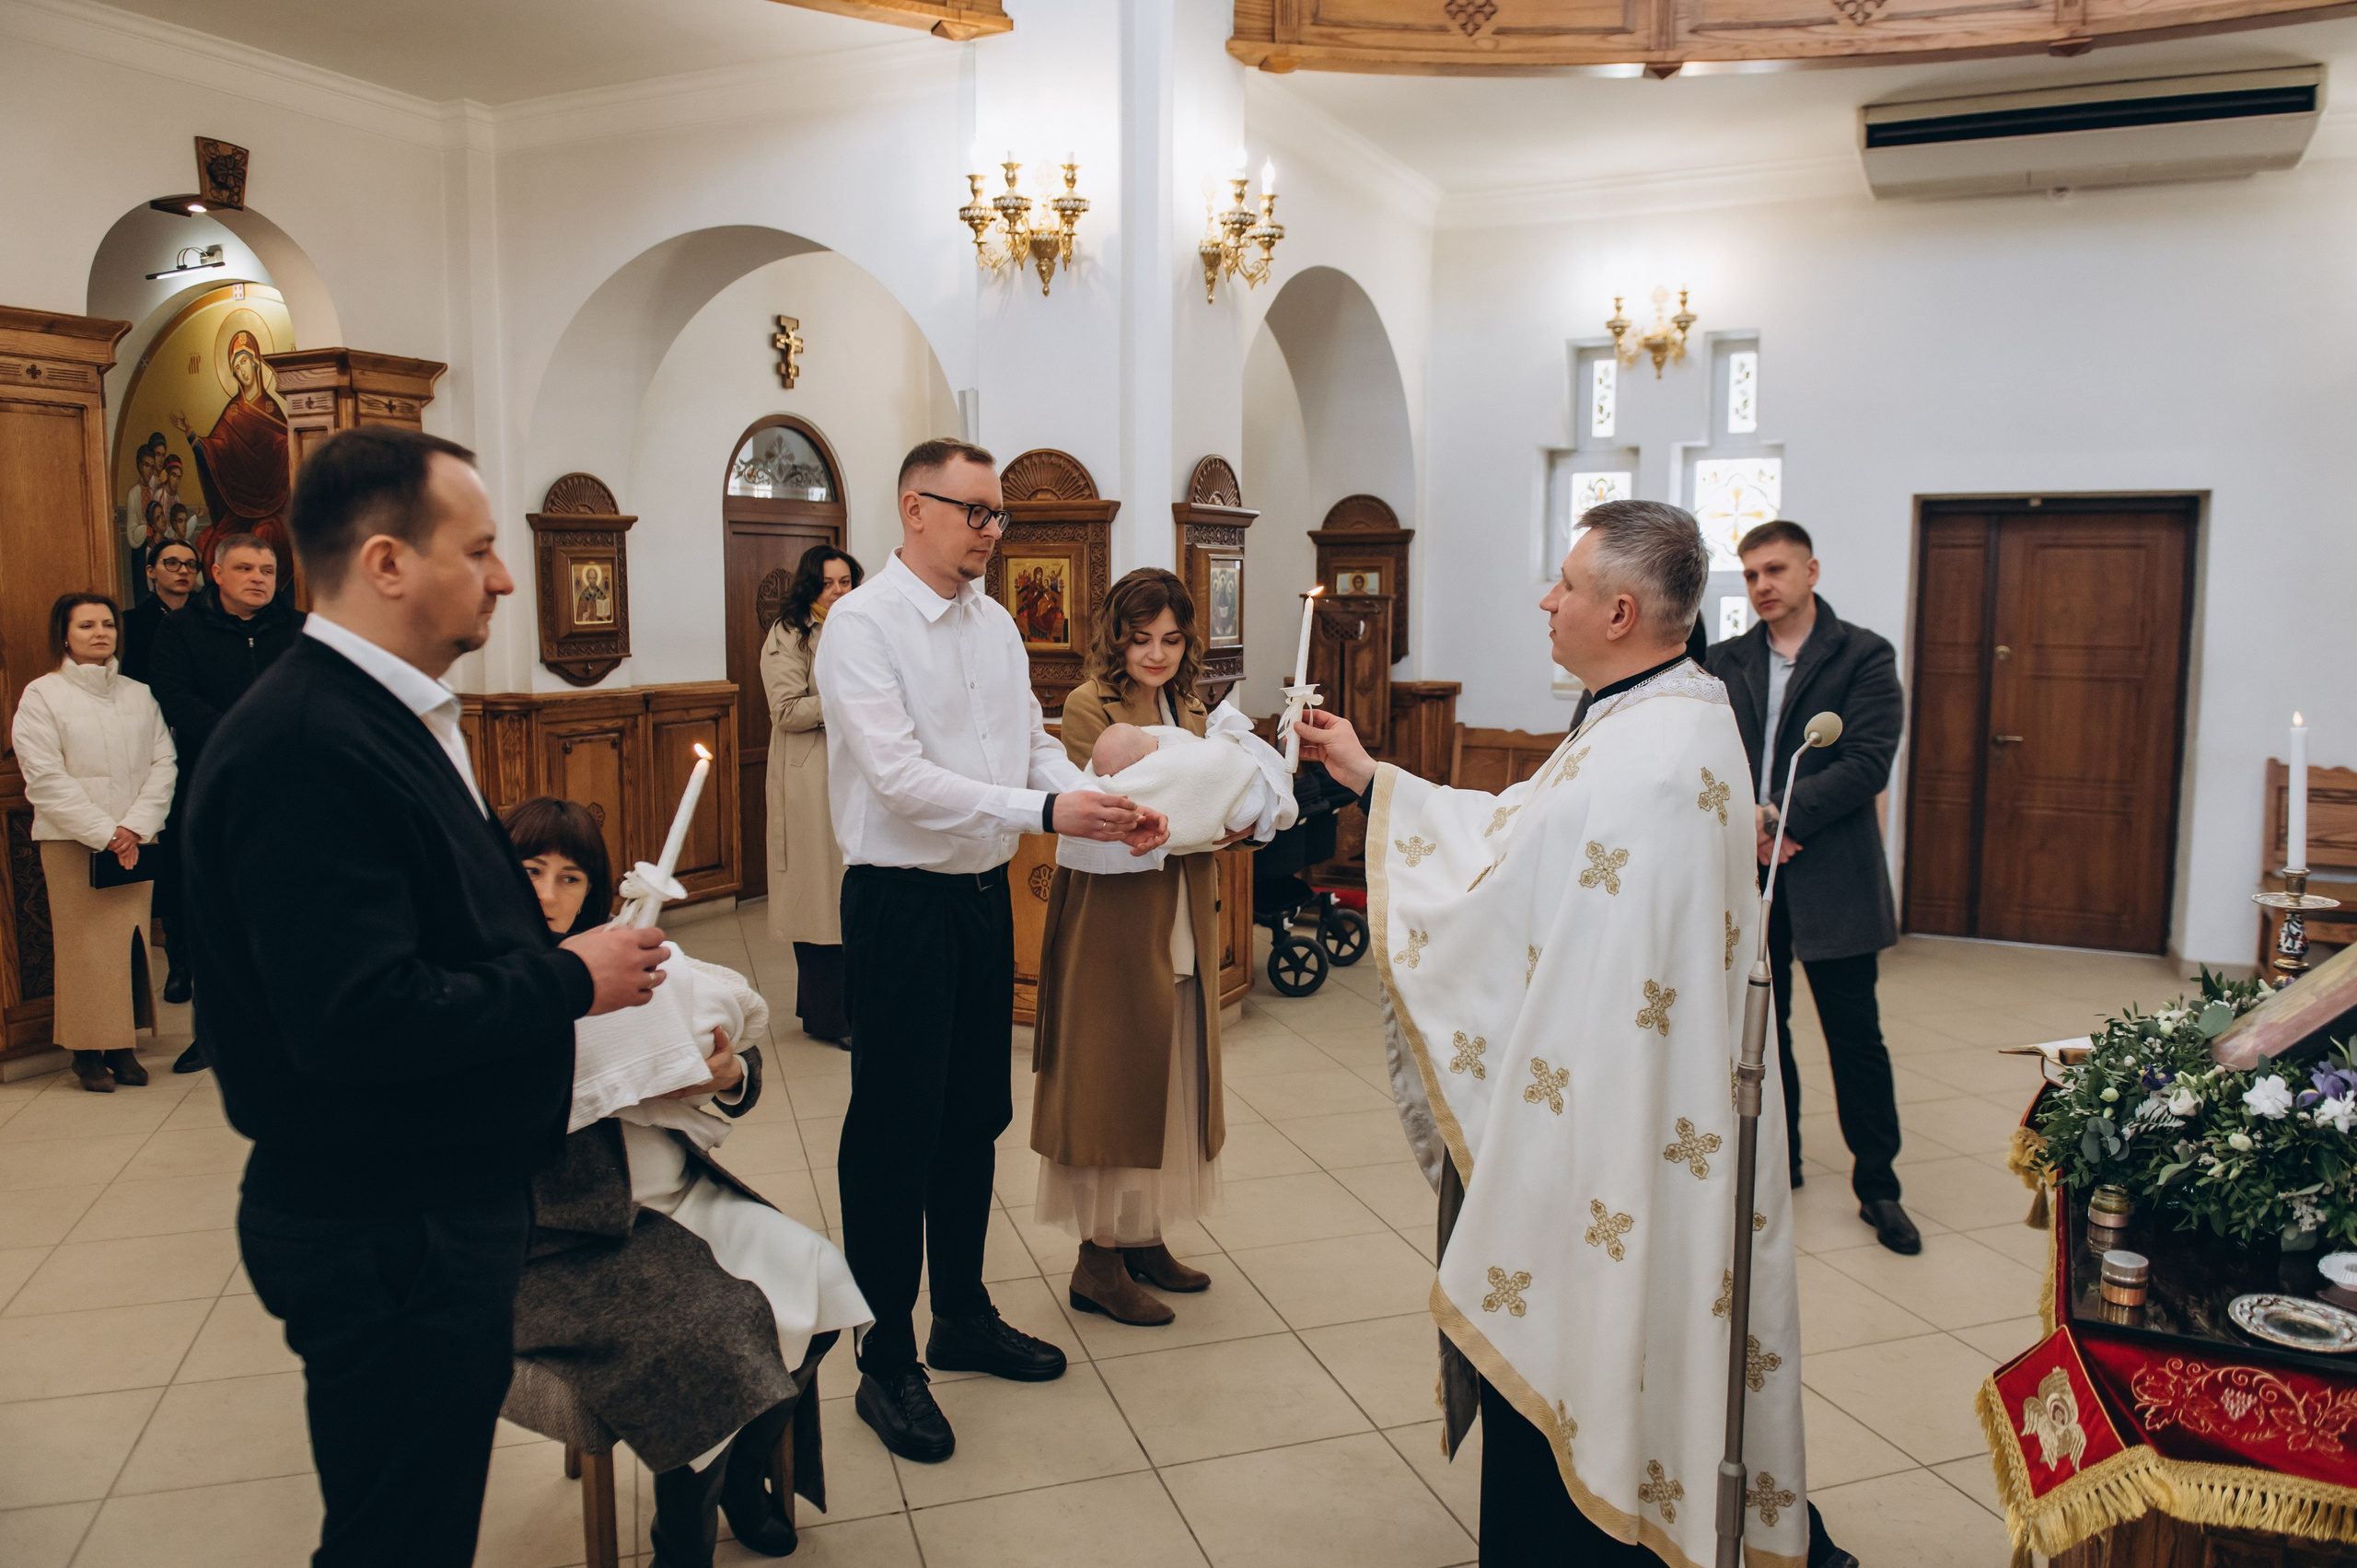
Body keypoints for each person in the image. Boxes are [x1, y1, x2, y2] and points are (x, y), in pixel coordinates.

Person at [1297, 500, 1850, 1568]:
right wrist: (1374, 777)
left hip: (1607, 1124)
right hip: (1621, 1093)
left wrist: (1390, 813)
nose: (1546, 600)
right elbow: (1522, 834)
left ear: (1622, 609)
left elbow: (1513, 876)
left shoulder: (1652, 751)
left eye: (1564, 584)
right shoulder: (1659, 709)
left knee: (1592, 1317)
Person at [180, 425, 670, 1568]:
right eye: (484, 548)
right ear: (389, 561)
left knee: (421, 1519)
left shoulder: (383, 716)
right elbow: (359, 1015)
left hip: (431, 1197)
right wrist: (568, 976)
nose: (505, 575)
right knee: (397, 1533)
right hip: (380, 1216)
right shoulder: (307, 740)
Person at [813, 437, 1167, 1464]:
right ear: (911, 508)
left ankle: (959, 1314)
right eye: (973, 511)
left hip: (975, 899)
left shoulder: (998, 621)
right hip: (896, 902)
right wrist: (1049, 805)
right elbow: (897, 778)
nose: (990, 530)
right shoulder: (862, 627)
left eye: (997, 515)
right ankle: (885, 1361)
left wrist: (1094, 799)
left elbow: (1026, 747)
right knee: (893, 1128)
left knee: (975, 1112)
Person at [503, 797, 871, 1568]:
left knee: (823, 1282)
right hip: (567, 1239)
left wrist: (729, 1068)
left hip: (681, 1196)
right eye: (531, 870)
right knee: (713, 1335)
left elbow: (733, 1056)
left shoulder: (627, 960)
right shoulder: (495, 981)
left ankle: (739, 1475)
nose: (548, 893)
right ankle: (684, 1530)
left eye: (570, 877)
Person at [1031, 568, 1292, 1326]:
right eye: (1141, 638)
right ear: (1117, 636)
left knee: (1170, 1067)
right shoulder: (1089, 707)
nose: (1156, 654)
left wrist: (1244, 812)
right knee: (1111, 1072)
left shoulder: (1192, 706)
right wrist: (1211, 802)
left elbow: (1213, 795)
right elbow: (1137, 805)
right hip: (1115, 914)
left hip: (1181, 903)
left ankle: (1141, 1234)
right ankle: (1096, 1260)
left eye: (1172, 640)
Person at [1703, 519, 1917, 1256]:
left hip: (1830, 866)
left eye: (1775, 570)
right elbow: (1711, 749)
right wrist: (1752, 824)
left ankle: (1879, 1185)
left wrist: (1782, 819)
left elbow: (1866, 761)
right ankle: (1780, 1164)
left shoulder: (1862, 654)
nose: (1762, 585)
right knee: (1764, 1025)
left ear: (1810, 570)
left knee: (1854, 1032)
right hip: (1748, 865)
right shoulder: (1727, 658)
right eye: (1751, 574)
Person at [149, 532, 304, 1062]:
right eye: (245, 569)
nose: (259, 579)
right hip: (212, 783)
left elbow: (319, 692)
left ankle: (295, 1023)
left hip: (290, 786)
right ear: (216, 573)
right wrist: (239, 740)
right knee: (216, 915)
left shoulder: (301, 628)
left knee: (288, 910)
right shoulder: (180, 629)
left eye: (266, 570)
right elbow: (175, 697)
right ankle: (214, 1037)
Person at [11, 594, 175, 1093]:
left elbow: (162, 764)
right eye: (86, 625)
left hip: (135, 839)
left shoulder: (138, 694)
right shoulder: (42, 695)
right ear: (65, 634)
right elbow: (43, 778)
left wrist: (134, 827)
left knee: (129, 943)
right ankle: (87, 1054)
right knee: (85, 950)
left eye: (107, 624)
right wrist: (105, 833)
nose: (100, 633)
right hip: (73, 844)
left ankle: (123, 1048)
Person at [758, 544, 863, 1046]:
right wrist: (843, 702)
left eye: (846, 582)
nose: (840, 591)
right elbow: (786, 710)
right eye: (830, 583)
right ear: (810, 587)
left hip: (851, 771)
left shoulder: (859, 626)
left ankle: (830, 1008)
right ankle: (829, 1018)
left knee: (846, 897)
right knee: (817, 896)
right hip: (807, 778)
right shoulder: (789, 634)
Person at [175, 329, 295, 581]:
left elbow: (289, 448)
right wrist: (191, 435)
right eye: (235, 366)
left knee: (263, 540)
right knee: (214, 549)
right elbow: (216, 451)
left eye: (244, 361)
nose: (241, 369)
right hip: (241, 507)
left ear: (254, 363)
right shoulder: (233, 412)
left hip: (273, 507)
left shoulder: (270, 408)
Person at [120, 538, 201, 684]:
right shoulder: (131, 622)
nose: (184, 571)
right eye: (172, 563)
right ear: (151, 571)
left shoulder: (209, 617)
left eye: (191, 564)